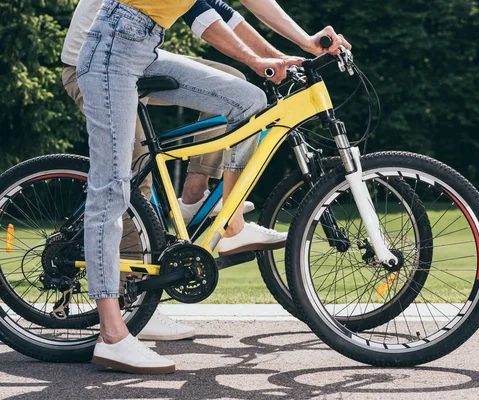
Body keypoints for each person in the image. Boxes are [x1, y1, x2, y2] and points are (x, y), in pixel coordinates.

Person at [77, 0, 350, 374]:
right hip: (111, 50)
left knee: (248, 99)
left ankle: (228, 223)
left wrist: (304, 42)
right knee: (112, 190)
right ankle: (111, 334)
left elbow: (246, 5)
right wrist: (256, 60)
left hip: (144, 46)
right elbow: (206, 21)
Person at [61, 0, 258, 342]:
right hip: (92, 62)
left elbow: (226, 12)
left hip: (140, 59)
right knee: (137, 182)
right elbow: (203, 16)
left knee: (234, 83)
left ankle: (193, 198)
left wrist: (285, 52)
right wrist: (262, 59)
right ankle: (132, 303)